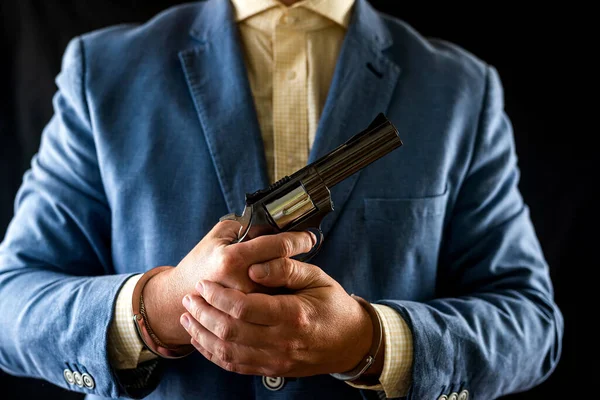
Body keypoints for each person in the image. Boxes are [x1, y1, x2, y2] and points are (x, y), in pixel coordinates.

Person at [0, 0, 563, 399]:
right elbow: (11, 305)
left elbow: (531, 325)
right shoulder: (102, 72)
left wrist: (371, 341)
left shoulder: (460, 88)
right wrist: (162, 306)